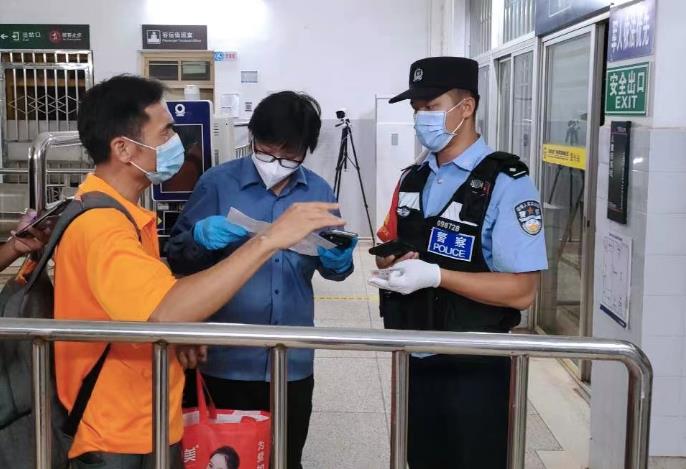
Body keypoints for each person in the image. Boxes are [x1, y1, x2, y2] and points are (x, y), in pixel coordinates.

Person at [54, 75, 344, 468]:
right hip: (119, 424)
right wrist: (263, 240)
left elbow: (153, 301)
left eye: (289, 154)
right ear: (123, 148)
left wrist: (181, 335)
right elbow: (165, 308)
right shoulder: (104, 225)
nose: (178, 142)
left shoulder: (128, 217)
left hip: (166, 405)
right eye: (166, 131)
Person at [368, 57, 547, 468]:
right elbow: (402, 241)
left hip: (475, 364)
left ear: (466, 108)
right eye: (416, 108)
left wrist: (436, 276)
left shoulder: (506, 183)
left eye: (431, 107)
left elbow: (522, 291)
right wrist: (397, 262)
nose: (421, 117)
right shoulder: (414, 177)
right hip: (414, 356)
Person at [166, 91, 356, 469]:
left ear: (306, 150)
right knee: (219, 457)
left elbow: (333, 268)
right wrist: (200, 238)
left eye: (289, 155)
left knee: (285, 457)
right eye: (266, 150)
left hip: (291, 361)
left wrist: (338, 262)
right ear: (253, 137)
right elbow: (177, 256)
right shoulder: (217, 183)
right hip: (223, 359)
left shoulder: (318, 192)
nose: (275, 162)